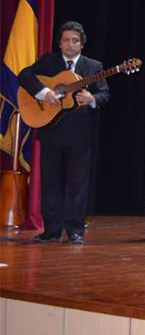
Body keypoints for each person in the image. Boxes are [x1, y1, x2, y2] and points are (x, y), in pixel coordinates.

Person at [20, 21, 110, 244]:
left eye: (75, 40)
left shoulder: (93, 67)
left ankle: (75, 230)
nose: (71, 44)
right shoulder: (48, 62)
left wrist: (92, 99)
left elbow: (104, 94)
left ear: (82, 44)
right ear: (60, 43)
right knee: (50, 182)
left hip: (79, 135)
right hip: (50, 131)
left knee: (77, 183)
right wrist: (43, 93)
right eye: (66, 40)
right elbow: (24, 75)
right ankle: (51, 230)